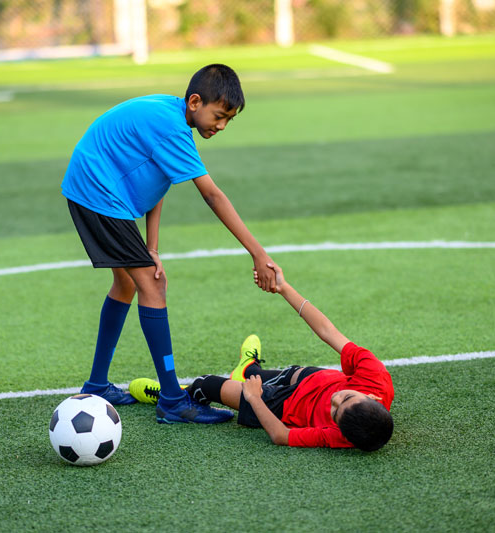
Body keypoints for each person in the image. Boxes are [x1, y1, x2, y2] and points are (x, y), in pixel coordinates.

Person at [61, 64, 276, 425]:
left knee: (128, 282)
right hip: (97, 191)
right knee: (153, 285)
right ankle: (173, 402)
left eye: (228, 120)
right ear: (195, 101)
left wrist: (153, 247)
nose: (221, 126)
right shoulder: (172, 128)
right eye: (219, 115)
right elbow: (212, 195)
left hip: (97, 188)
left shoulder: (171, 114)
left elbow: (156, 184)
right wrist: (258, 253)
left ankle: (97, 385)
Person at [133, 262, 394, 450]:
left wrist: (255, 399)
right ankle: (247, 370)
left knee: (205, 385)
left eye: (334, 412)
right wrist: (284, 288)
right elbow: (328, 331)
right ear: (371, 397)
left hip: (282, 406)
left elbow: (281, 436)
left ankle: (171, 394)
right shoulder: (375, 375)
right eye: (346, 398)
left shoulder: (344, 434)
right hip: (313, 379)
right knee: (254, 377)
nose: (334, 401)